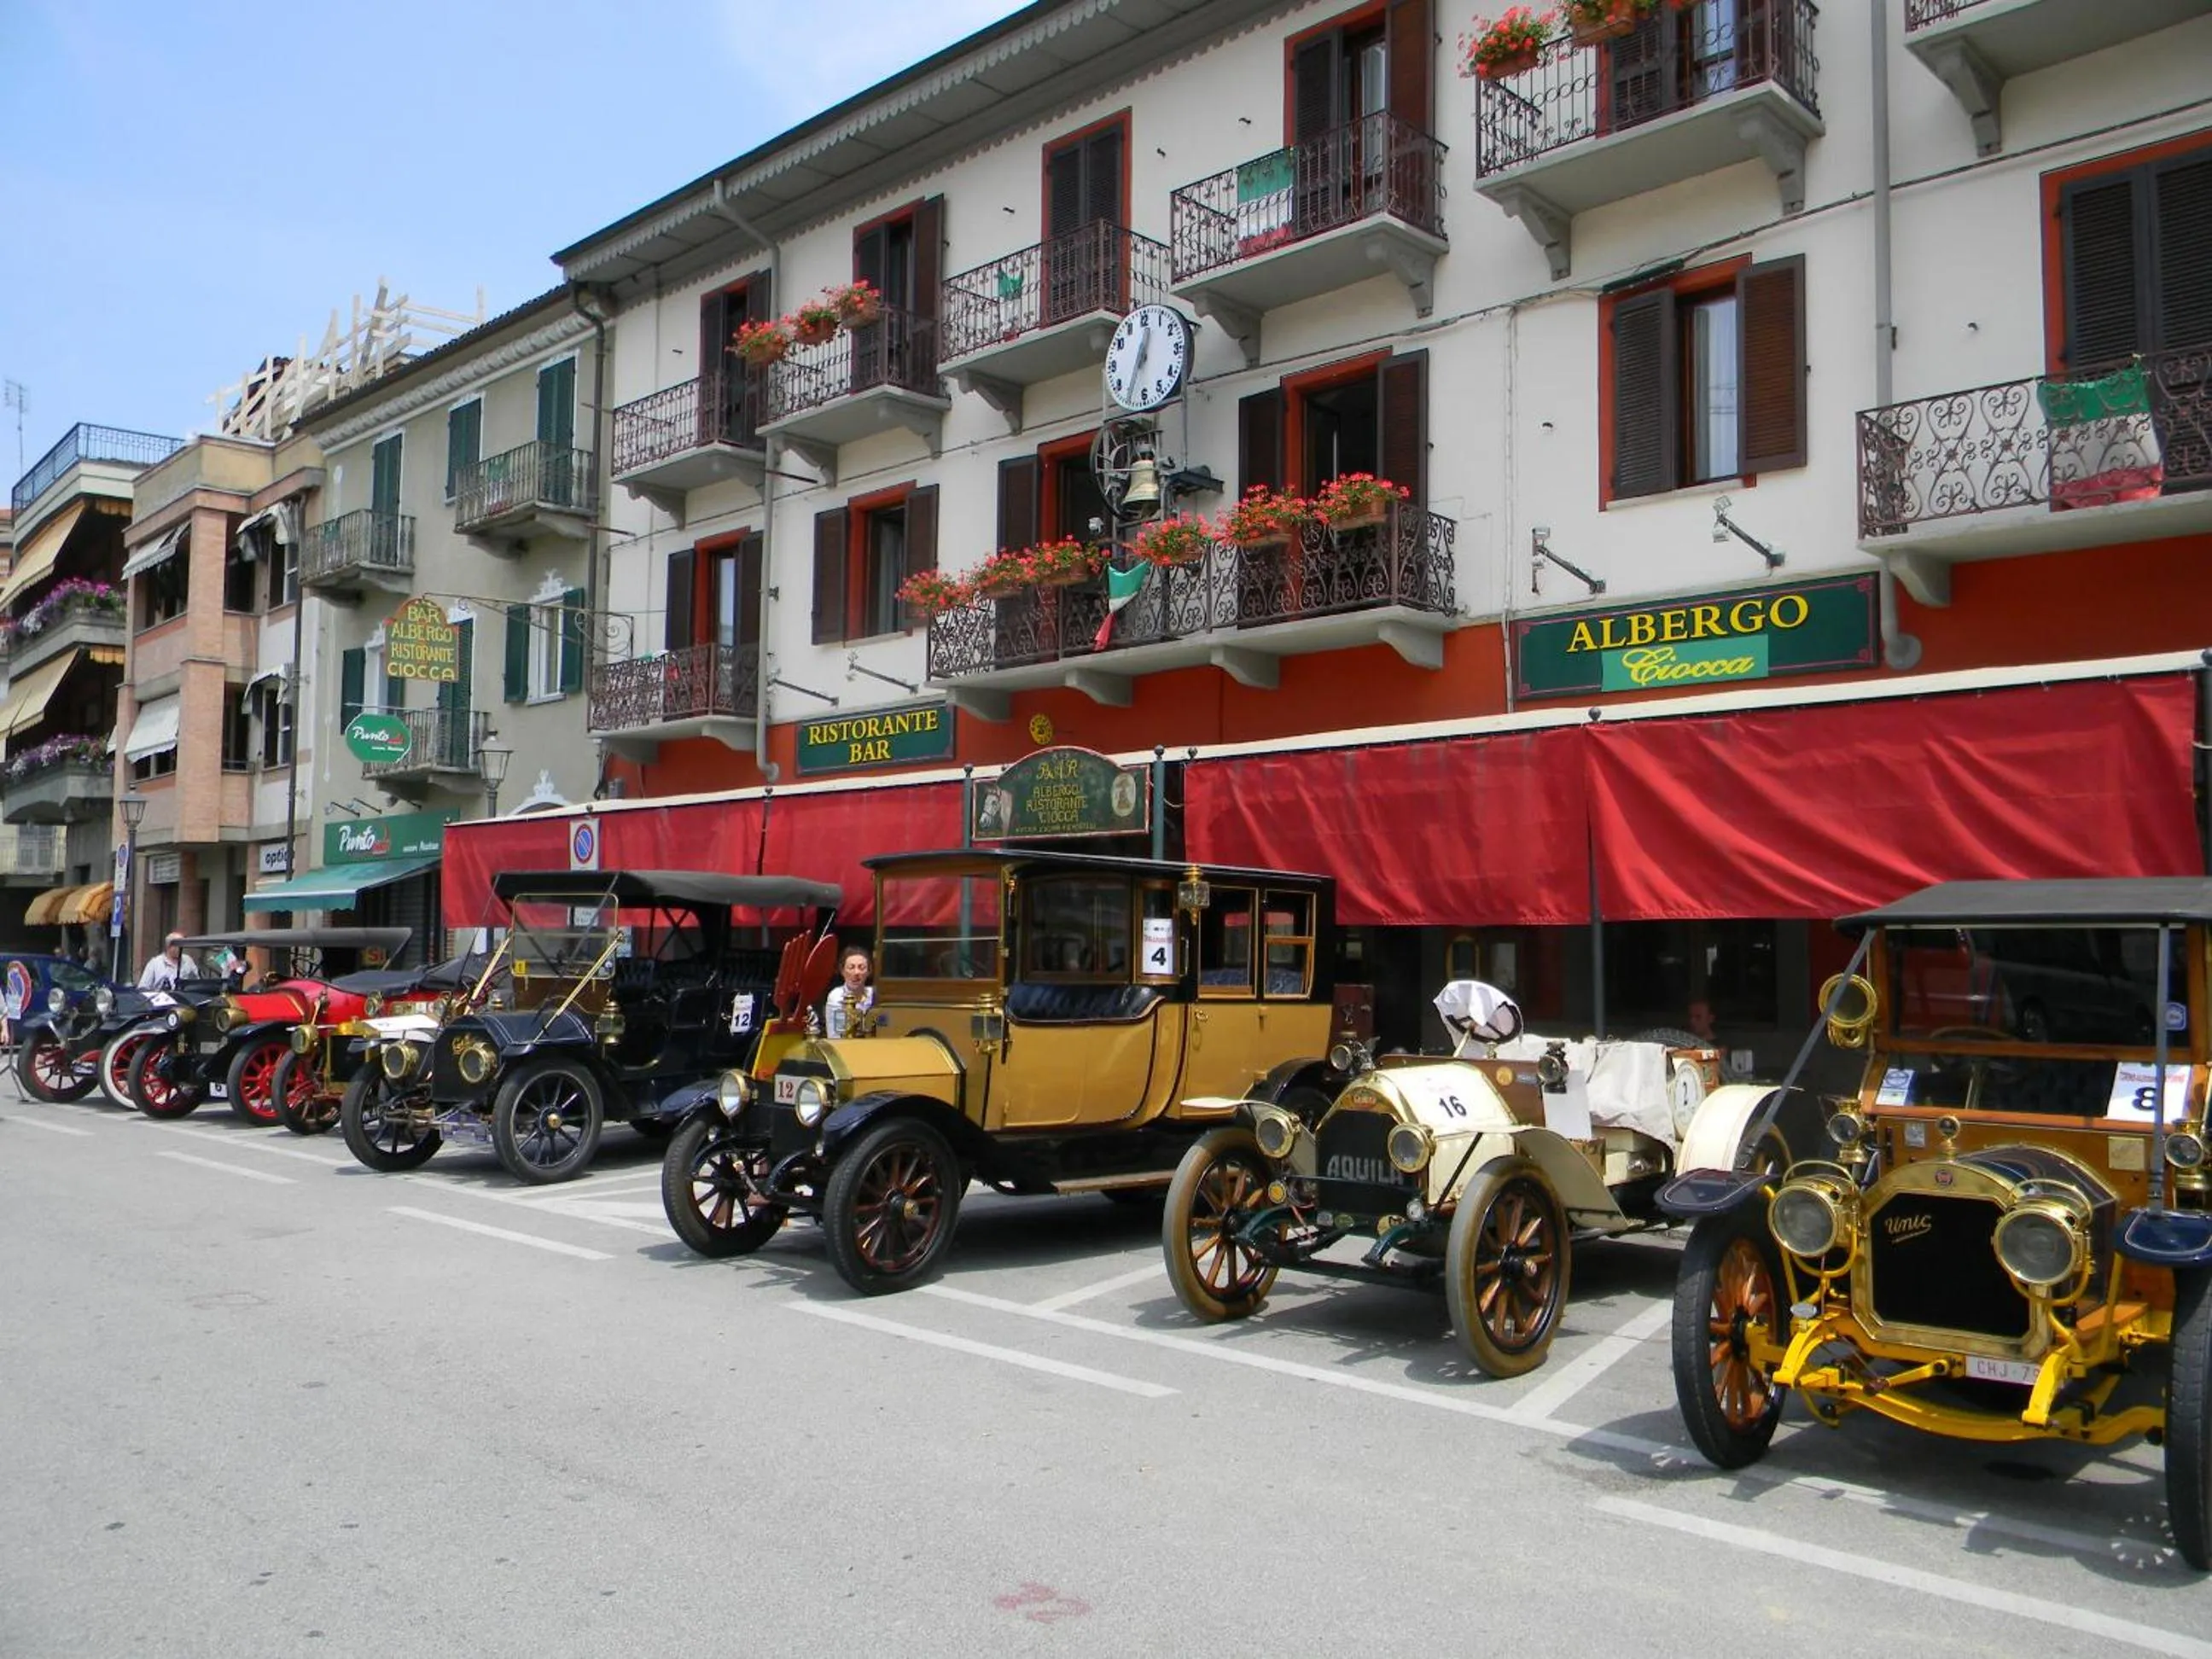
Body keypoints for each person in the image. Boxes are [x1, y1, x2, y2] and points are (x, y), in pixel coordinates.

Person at [823, 947, 874, 1039]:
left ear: (869, 971)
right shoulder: (836, 996)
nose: (856, 972)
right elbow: (835, 1035)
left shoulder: (873, 994)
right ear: (842, 971)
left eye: (862, 968)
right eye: (851, 967)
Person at [137, 932, 201, 993]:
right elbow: (143, 988)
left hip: (185, 1000)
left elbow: (197, 982)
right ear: (169, 946)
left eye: (182, 946)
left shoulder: (188, 960)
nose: (181, 949)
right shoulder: (155, 963)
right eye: (179, 946)